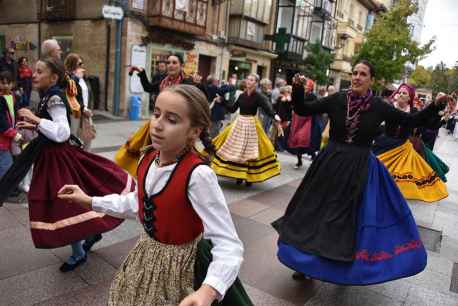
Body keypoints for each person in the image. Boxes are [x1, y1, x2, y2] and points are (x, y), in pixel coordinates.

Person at [57, 84, 253, 306]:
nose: (157, 125)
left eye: (172, 120)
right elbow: (137, 202)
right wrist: (90, 200)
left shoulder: (198, 175)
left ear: (194, 131)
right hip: (147, 254)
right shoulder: (148, 158)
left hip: (185, 263)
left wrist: (207, 291)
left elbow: (228, 243)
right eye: (156, 113)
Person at [273, 60, 447, 285]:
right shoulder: (337, 99)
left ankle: (339, 266)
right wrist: (297, 89)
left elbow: (411, 120)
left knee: (345, 220)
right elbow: (303, 109)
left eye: (362, 74)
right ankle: (304, 264)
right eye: (354, 73)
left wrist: (434, 105)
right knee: (315, 212)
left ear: (371, 80)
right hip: (330, 164)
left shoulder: (379, 106)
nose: (356, 77)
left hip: (359, 167)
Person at [0, 57, 134, 272]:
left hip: (58, 159)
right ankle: (91, 232)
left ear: (53, 77)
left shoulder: (54, 97)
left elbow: (62, 133)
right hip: (52, 157)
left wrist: (36, 119)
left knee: (65, 204)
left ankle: (79, 252)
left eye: (40, 71)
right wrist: (35, 125)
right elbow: (52, 129)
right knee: (66, 201)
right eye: (34, 70)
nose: (34, 74)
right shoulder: (49, 95)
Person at [116, 53, 206, 177]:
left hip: (175, 127)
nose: (170, 65)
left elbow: (201, 100)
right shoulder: (163, 81)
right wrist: (142, 73)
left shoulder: (187, 82)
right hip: (160, 123)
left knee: (174, 157)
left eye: (174, 62)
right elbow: (148, 88)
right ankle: (149, 175)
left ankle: (173, 177)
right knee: (149, 153)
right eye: (168, 62)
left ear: (181, 66)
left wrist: (199, 85)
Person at [373, 83, 448, 202]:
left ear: (410, 98)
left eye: (405, 93)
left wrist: (439, 112)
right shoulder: (389, 107)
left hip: (402, 147)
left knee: (400, 179)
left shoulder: (413, 111)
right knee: (377, 173)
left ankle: (393, 198)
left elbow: (425, 122)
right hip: (384, 145)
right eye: (400, 92)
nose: (401, 94)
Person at [211, 73, 281, 187]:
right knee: (237, 148)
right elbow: (233, 109)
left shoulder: (258, 96)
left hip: (251, 125)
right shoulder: (242, 96)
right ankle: (238, 174)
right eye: (248, 79)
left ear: (256, 83)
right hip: (239, 123)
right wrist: (222, 101)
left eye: (252, 80)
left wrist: (274, 115)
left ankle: (249, 177)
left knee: (249, 150)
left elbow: (267, 107)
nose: (248, 81)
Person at [64, 53, 94, 149]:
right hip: (75, 113)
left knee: (88, 137)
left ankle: (85, 159)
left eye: (82, 63)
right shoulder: (69, 78)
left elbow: (87, 94)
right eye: (79, 64)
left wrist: (88, 108)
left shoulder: (83, 77)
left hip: (85, 112)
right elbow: (71, 94)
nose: (82, 66)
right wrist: (76, 77)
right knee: (74, 140)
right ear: (72, 64)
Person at [0, 71, 22, 180]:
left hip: (9, 137)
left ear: (12, 84)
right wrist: (13, 134)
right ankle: (5, 188)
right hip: (2, 139)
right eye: (2, 83)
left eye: (7, 83)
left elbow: (15, 113)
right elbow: (2, 121)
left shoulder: (12, 96)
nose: (5, 85)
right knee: (6, 165)